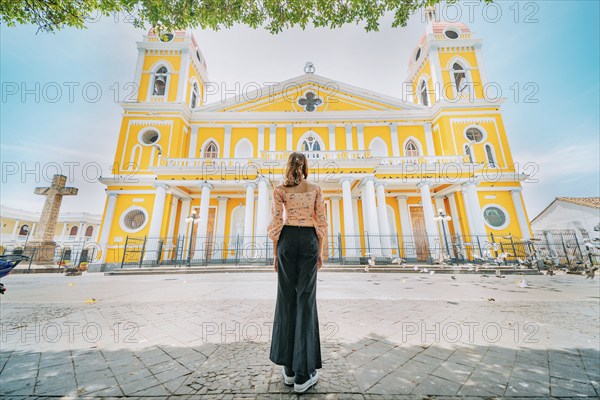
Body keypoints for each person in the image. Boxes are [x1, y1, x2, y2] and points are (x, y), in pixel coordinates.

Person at [267, 151, 328, 394]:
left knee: (286, 300)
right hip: (309, 240)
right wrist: (320, 252)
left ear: (288, 166)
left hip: (287, 240)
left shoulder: (280, 189)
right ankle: (304, 374)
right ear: (305, 167)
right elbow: (321, 223)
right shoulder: (315, 188)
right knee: (306, 301)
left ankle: (289, 369)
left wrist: (275, 254)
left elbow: (275, 223)